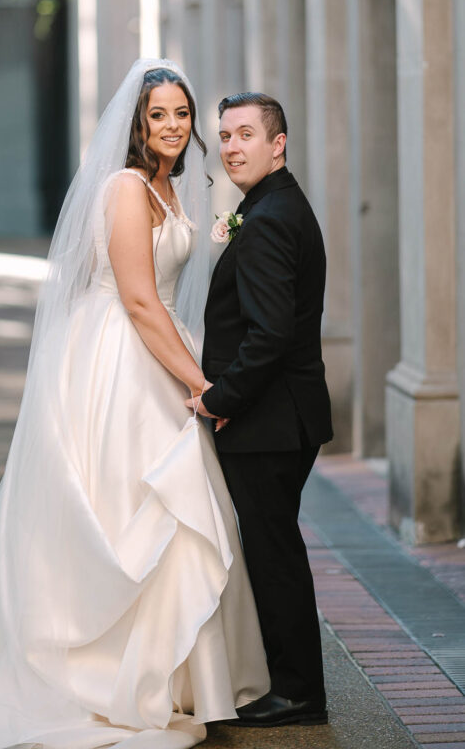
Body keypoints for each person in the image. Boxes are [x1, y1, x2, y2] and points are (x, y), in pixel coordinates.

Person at [0, 60, 269, 749]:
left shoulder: (172, 186)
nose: (172, 126)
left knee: (173, 512)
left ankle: (171, 678)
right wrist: (200, 384)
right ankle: (101, 675)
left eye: (181, 114)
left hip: (157, 345)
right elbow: (137, 299)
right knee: (129, 505)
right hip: (118, 361)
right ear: (137, 124)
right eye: (158, 115)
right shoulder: (126, 188)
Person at [189, 92, 333, 728]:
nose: (231, 146)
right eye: (224, 135)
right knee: (273, 547)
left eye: (245, 134)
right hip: (278, 416)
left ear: (278, 143)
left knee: (273, 552)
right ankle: (289, 679)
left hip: (270, 420)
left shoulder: (271, 217)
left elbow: (271, 333)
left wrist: (221, 397)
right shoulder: (272, 205)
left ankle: (299, 693)